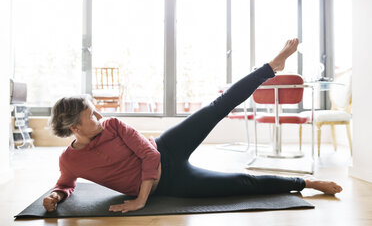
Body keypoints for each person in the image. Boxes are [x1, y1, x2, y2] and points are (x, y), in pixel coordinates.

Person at [43, 38, 342, 213]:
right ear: (74, 128)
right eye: (92, 115)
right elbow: (66, 183)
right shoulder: (70, 160)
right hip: (171, 184)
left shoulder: (114, 125)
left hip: (166, 149)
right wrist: (56, 196)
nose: (100, 117)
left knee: (219, 106)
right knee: (242, 184)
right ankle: (306, 183)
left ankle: (271, 67)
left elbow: (151, 156)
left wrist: (140, 201)